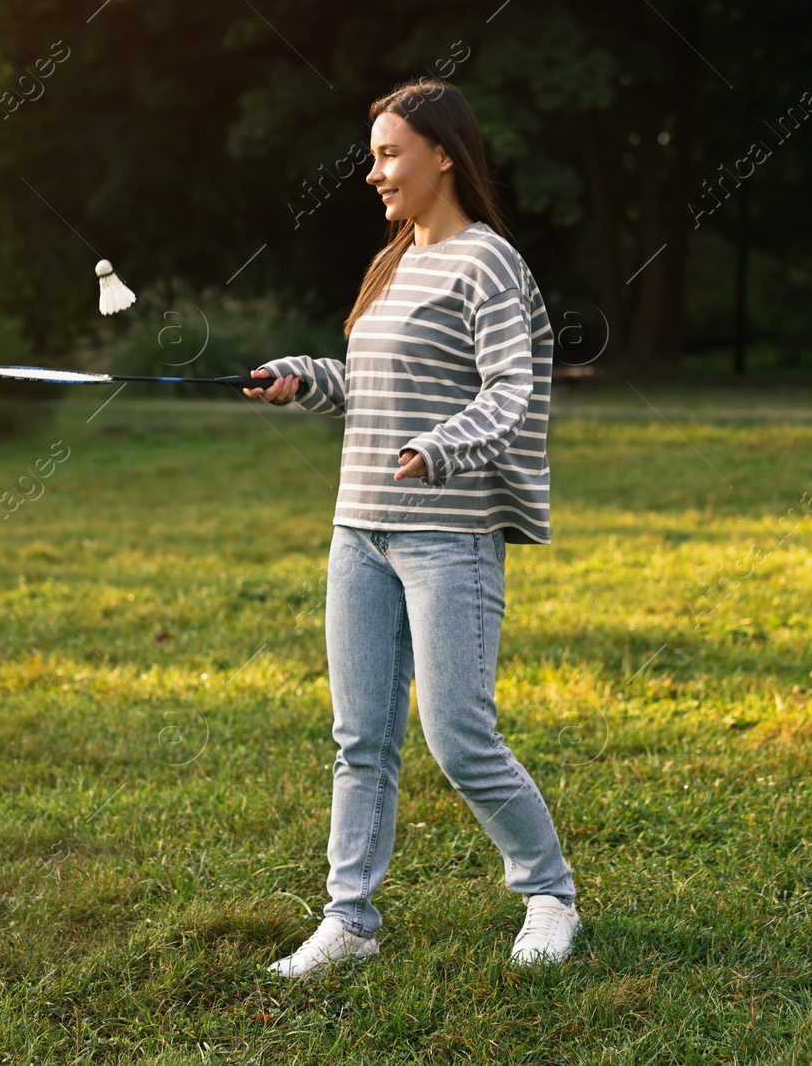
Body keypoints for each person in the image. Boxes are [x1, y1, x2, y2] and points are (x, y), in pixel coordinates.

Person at [245, 76, 578, 978]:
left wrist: (442, 446)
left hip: (448, 536)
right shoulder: (392, 262)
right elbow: (375, 389)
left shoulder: (488, 262)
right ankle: (348, 919)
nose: (373, 172)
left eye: (389, 153)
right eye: (373, 154)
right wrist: (304, 377)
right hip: (359, 530)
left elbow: (514, 389)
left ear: (443, 154)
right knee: (361, 738)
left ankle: (549, 895)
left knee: (460, 735)